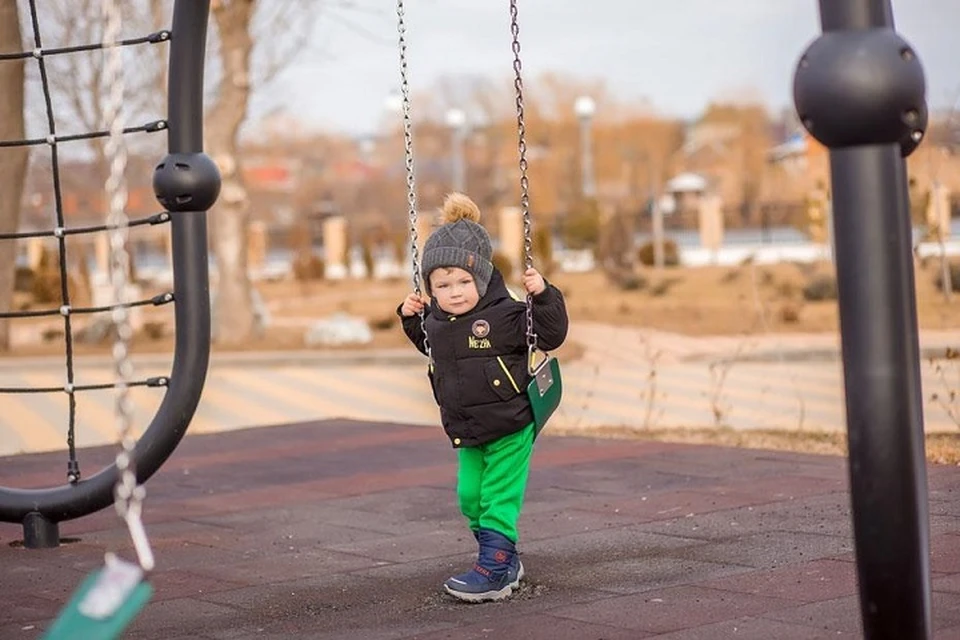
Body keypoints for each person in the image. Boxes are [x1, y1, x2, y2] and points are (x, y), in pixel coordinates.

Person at [398, 192, 568, 602]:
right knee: (469, 497)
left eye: (463, 282)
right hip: (466, 428)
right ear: (431, 288)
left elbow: (552, 334)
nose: (454, 292)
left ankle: (495, 569)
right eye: (442, 284)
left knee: (497, 498)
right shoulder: (436, 322)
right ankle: (501, 554)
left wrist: (543, 295)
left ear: (484, 278)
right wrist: (408, 317)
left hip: (511, 422)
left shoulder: (507, 316)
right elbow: (427, 346)